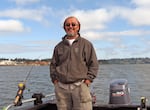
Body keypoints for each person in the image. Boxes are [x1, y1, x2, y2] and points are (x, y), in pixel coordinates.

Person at [50, 16, 99, 110]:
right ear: (64, 28)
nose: (70, 26)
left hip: (80, 86)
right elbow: (53, 65)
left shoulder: (86, 44)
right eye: (67, 25)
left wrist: (88, 80)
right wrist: (54, 80)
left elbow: (94, 64)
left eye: (73, 24)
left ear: (78, 27)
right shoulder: (58, 47)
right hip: (61, 88)